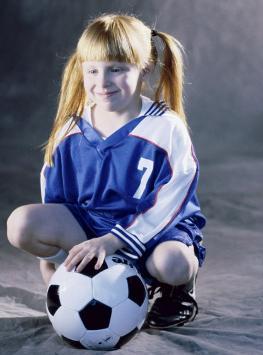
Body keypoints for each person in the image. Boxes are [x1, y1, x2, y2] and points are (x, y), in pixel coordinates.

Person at [6, 13, 206, 330]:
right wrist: (57, 255)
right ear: (82, 69)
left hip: (151, 232)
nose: (103, 81)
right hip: (89, 227)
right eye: (94, 70)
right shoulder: (72, 126)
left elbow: (174, 198)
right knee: (21, 223)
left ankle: (177, 290)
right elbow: (53, 193)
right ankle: (85, 279)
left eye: (117, 69)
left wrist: (116, 240)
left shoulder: (164, 126)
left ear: (145, 67)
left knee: (174, 263)